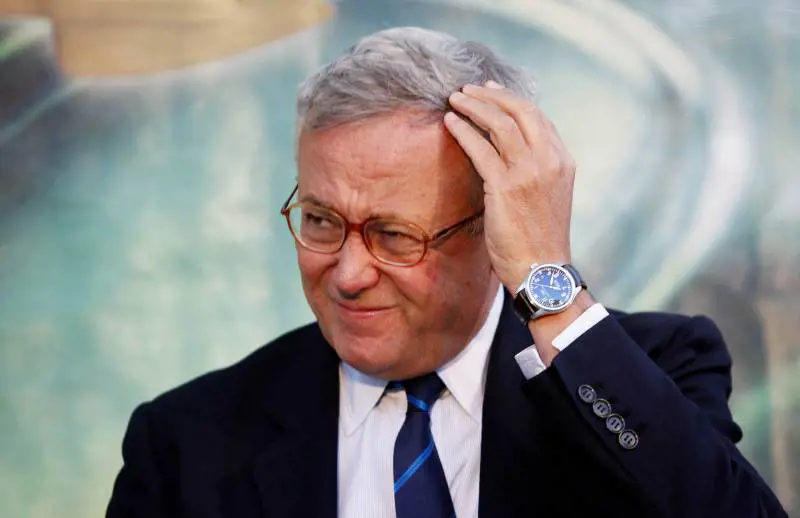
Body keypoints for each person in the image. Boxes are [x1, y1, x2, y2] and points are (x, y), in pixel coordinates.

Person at [106, 27, 788, 518]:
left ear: (494, 227)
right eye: (319, 220)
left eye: (394, 236)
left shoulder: (651, 371)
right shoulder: (186, 444)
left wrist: (547, 283)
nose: (347, 274)